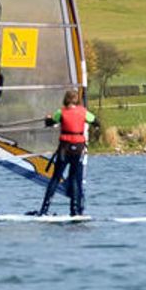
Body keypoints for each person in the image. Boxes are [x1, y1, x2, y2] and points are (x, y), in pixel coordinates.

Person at [38, 89, 99, 217]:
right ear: (76, 100)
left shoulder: (61, 112)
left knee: (55, 177)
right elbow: (96, 122)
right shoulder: (83, 112)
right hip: (78, 148)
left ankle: (44, 209)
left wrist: (47, 118)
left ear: (66, 100)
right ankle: (75, 210)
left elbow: (50, 123)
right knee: (75, 178)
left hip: (65, 148)